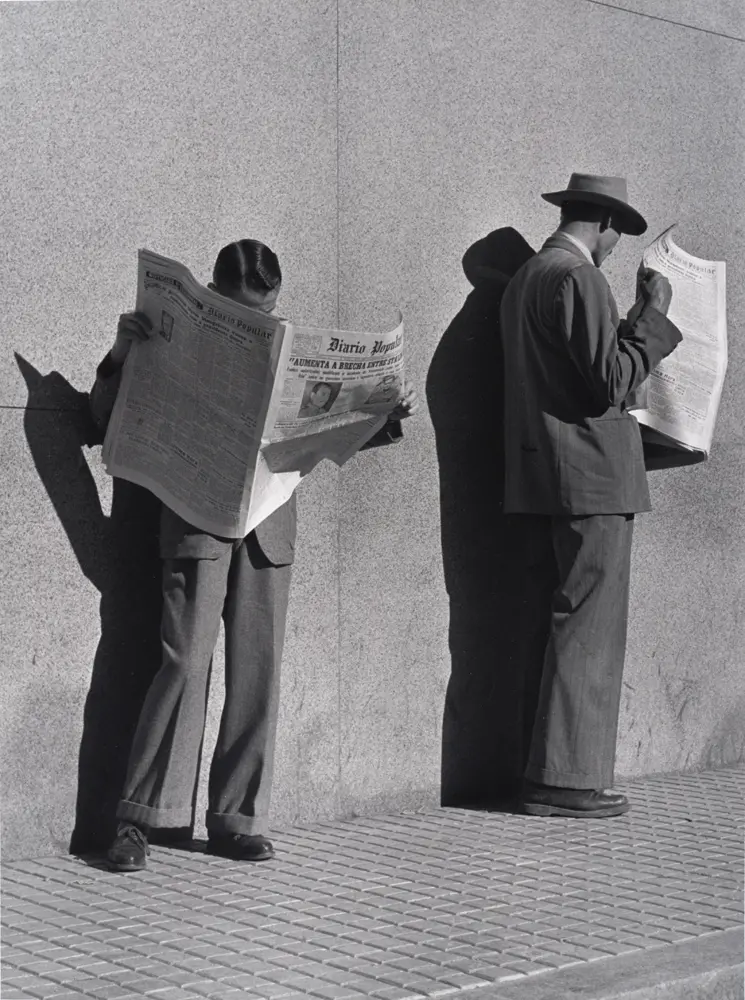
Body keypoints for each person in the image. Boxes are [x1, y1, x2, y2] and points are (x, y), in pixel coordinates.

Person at [91, 239, 419, 870]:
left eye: (268, 310)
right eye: (248, 311)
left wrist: (380, 414)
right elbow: (101, 417)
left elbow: (319, 438)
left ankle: (237, 819)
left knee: (257, 672)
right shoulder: (170, 338)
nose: (262, 320)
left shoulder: (286, 347)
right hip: (196, 516)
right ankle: (138, 818)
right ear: (216, 297)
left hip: (269, 523)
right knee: (182, 661)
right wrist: (120, 353)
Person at [500, 174, 682, 818]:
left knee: (567, 620)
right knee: (589, 627)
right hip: (590, 477)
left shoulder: (529, 277)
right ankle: (564, 779)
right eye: (617, 233)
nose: (616, 247)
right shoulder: (575, 278)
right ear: (602, 220)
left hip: (550, 473)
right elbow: (610, 379)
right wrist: (652, 316)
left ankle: (554, 772)